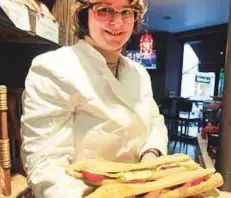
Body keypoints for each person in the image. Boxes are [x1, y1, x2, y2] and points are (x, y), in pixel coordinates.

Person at [20, 0, 168, 197]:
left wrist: (150, 157)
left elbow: (154, 121)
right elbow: (45, 163)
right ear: (84, 15)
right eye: (104, 10)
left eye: (126, 12)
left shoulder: (139, 73)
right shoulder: (52, 68)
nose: (117, 22)